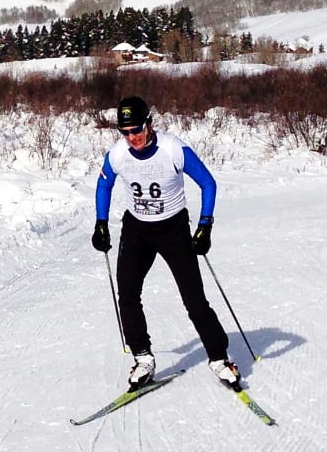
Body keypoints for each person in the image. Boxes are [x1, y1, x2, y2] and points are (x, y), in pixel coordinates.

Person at [91, 96, 241, 390]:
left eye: (136, 130)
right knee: (128, 296)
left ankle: (219, 358)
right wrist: (100, 222)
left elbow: (208, 183)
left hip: (173, 229)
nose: (132, 137)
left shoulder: (173, 148)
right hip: (137, 230)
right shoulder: (118, 154)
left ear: (149, 124)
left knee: (194, 300)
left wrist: (205, 225)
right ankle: (143, 358)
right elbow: (104, 184)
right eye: (125, 132)